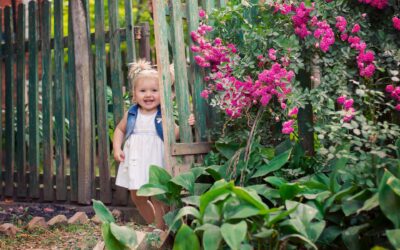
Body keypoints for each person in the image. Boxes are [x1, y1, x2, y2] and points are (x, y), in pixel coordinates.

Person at [113, 59, 195, 230]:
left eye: (154, 90)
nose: (148, 95)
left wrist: (188, 124)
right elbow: (119, 130)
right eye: (143, 91)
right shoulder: (132, 113)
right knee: (137, 196)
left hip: (155, 159)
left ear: (163, 94)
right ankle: (154, 224)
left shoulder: (163, 115)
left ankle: (161, 228)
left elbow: (175, 133)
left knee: (158, 196)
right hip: (136, 159)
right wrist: (117, 148)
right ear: (134, 94)